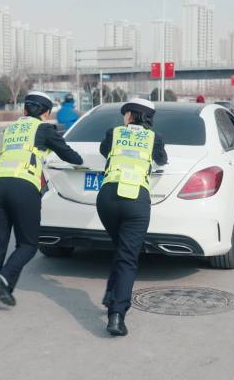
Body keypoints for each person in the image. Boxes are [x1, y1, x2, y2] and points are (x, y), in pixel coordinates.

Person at [0, 91, 83, 313]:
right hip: (23, 187)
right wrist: (80, 162)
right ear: (45, 113)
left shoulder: (11, 129)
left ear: (25, 110)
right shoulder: (44, 129)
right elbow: (69, 155)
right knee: (27, 244)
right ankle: (3, 279)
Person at [96, 98, 167, 336]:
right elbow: (162, 160)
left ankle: (111, 292)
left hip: (107, 197)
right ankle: (116, 315)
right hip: (136, 198)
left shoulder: (113, 133)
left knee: (120, 249)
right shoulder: (153, 138)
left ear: (129, 115)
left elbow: (104, 151)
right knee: (127, 257)